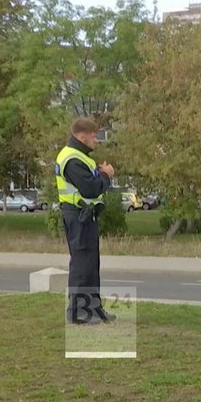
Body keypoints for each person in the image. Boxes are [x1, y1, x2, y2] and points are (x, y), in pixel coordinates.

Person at [56, 117, 115, 325]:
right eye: (93, 136)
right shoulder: (72, 159)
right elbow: (90, 188)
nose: (96, 141)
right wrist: (106, 176)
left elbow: (88, 182)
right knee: (82, 265)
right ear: (82, 136)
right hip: (77, 216)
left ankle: (93, 308)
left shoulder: (80, 157)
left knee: (91, 264)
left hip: (85, 216)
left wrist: (99, 173)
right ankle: (78, 312)